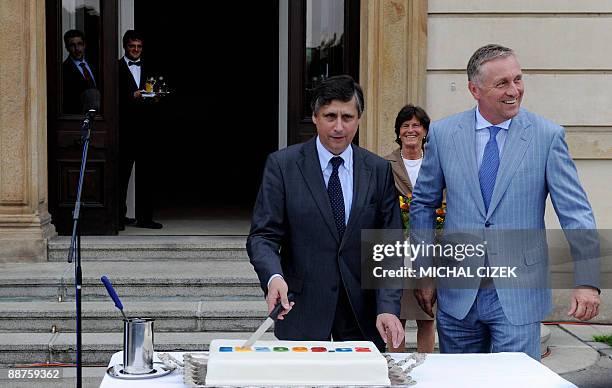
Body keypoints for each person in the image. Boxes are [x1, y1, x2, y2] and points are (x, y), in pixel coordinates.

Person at [409, 44, 601, 360]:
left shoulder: (547, 136)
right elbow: (423, 204)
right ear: (475, 89)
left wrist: (588, 282)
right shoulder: (444, 134)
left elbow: (576, 213)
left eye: (518, 80)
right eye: (502, 83)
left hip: (518, 294)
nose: (514, 90)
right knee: (459, 383)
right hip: (458, 295)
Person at [247, 75, 404, 351]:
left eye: (348, 117)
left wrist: (388, 306)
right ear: (315, 116)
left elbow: (389, 245)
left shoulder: (378, 171)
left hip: (362, 315)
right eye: (330, 116)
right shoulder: (283, 166)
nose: (339, 127)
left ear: (359, 118)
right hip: (301, 308)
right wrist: (274, 277)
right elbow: (263, 236)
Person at [384, 104, 435, 353]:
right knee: (397, 316)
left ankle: (426, 371)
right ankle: (396, 371)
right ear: (399, 132)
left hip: (431, 249)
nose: (411, 130)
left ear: (425, 130)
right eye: (405, 126)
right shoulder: (384, 165)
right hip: (398, 251)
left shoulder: (437, 163)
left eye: (416, 125)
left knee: (428, 316)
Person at [118, 30, 162, 229]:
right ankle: (118, 217)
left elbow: (157, 92)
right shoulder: (115, 68)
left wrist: (157, 97)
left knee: (147, 176)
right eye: (132, 46)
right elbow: (112, 100)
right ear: (125, 47)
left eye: (139, 46)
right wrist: (131, 96)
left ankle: (145, 218)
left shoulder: (150, 67)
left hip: (146, 131)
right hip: (124, 131)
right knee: (121, 177)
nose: (136, 50)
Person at [62, 29, 97, 114]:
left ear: (84, 45)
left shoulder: (95, 66)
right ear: (66, 47)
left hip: (100, 118)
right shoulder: (63, 70)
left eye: (79, 44)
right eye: (72, 45)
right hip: (77, 117)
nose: (77, 49)